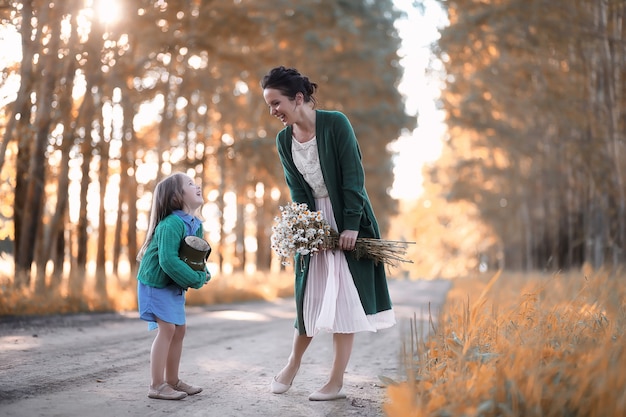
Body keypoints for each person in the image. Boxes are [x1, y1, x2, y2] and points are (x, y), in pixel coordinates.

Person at [261, 66, 396, 401]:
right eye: (269, 106)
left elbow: (353, 177)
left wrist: (350, 224)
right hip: (314, 225)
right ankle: (293, 364)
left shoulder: (336, 124)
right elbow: (298, 190)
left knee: (345, 299)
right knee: (309, 295)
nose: (273, 111)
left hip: (348, 218)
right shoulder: (283, 140)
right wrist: (306, 229)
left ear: (299, 97)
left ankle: (335, 382)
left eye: (277, 103)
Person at [136, 172, 211, 400]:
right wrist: (195, 279)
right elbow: (168, 260)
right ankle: (156, 385)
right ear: (177, 196)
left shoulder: (196, 225)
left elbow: (197, 258)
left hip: (173, 284)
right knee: (167, 329)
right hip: (156, 283)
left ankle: (173, 380)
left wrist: (203, 273)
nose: (197, 185)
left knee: (179, 330)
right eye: (190, 184)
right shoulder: (170, 224)